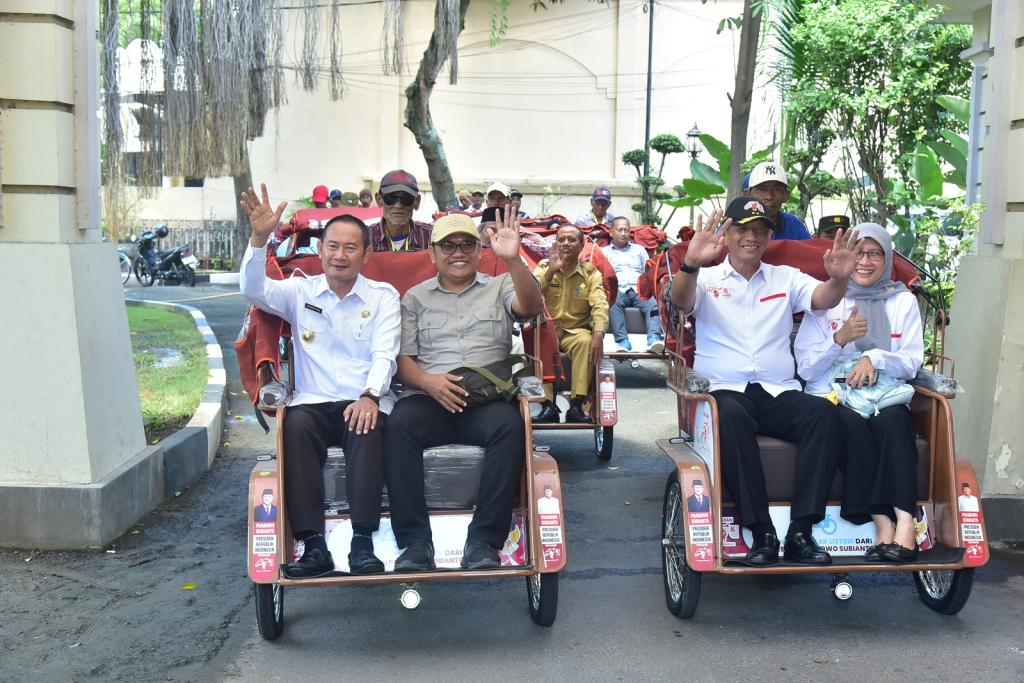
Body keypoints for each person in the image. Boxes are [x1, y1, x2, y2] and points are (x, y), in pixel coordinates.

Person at [670, 197, 859, 566]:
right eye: (742, 229)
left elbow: (822, 298)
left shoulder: (785, 277)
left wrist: (839, 278)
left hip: (777, 390)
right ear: (728, 233)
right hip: (724, 389)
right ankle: (762, 531)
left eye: (760, 229)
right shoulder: (706, 278)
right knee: (732, 416)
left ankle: (802, 530)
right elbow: (681, 300)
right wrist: (691, 262)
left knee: (823, 414)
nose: (751, 237)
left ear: (769, 236)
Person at [239, 183, 401, 577]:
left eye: (350, 248)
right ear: (321, 249)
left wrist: (370, 396)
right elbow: (251, 288)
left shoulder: (383, 296)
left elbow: (385, 354)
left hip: (362, 398)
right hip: (312, 401)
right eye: (332, 246)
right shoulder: (299, 291)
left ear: (366, 253)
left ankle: (362, 543)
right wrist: (260, 239)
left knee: (366, 425)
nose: (339, 255)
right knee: (292, 426)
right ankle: (313, 546)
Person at [383, 210, 543, 572]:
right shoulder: (414, 298)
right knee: (397, 426)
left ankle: (483, 541)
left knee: (512, 426)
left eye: (467, 244)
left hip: (486, 401)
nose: (459, 252)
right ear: (433, 253)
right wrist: (428, 381)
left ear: (478, 249)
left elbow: (530, 307)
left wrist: (513, 258)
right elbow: (403, 360)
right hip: (430, 399)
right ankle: (414, 543)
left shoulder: (501, 284)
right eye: (448, 246)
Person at [794, 222, 925, 563]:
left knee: (895, 425)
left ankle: (905, 527)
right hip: (834, 398)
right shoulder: (827, 299)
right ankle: (883, 525)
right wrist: (840, 340)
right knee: (848, 426)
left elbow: (911, 363)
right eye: (858, 253)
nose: (865, 261)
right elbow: (807, 369)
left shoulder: (902, 301)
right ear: (845, 257)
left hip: (884, 397)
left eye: (875, 253)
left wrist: (873, 356)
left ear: (887, 258)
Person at [533, 225, 609, 424]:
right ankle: (548, 405)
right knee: (540, 339)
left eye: (572, 240)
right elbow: (530, 292)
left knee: (586, 341)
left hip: (575, 332)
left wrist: (599, 333)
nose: (566, 243)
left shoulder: (591, 274)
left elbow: (600, 304)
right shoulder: (543, 266)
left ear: (582, 245)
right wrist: (551, 271)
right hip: (547, 328)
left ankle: (576, 406)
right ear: (556, 244)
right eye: (561, 239)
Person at [601, 216, 664, 353]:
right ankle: (622, 341)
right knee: (611, 302)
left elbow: (647, 271)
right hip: (617, 289)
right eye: (619, 230)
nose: (623, 233)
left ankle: (654, 338)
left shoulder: (639, 250)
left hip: (638, 289)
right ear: (611, 232)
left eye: (626, 230)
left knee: (652, 303)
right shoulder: (603, 252)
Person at [367, 170, 433, 252]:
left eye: (406, 198)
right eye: (391, 198)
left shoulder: (433, 237)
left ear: (417, 202)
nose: (398, 205)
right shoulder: (364, 237)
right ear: (379, 200)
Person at [746, 162, 811, 240]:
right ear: (748, 195)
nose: (769, 196)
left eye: (776, 189)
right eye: (762, 189)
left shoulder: (793, 225)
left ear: (786, 196)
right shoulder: (735, 224)